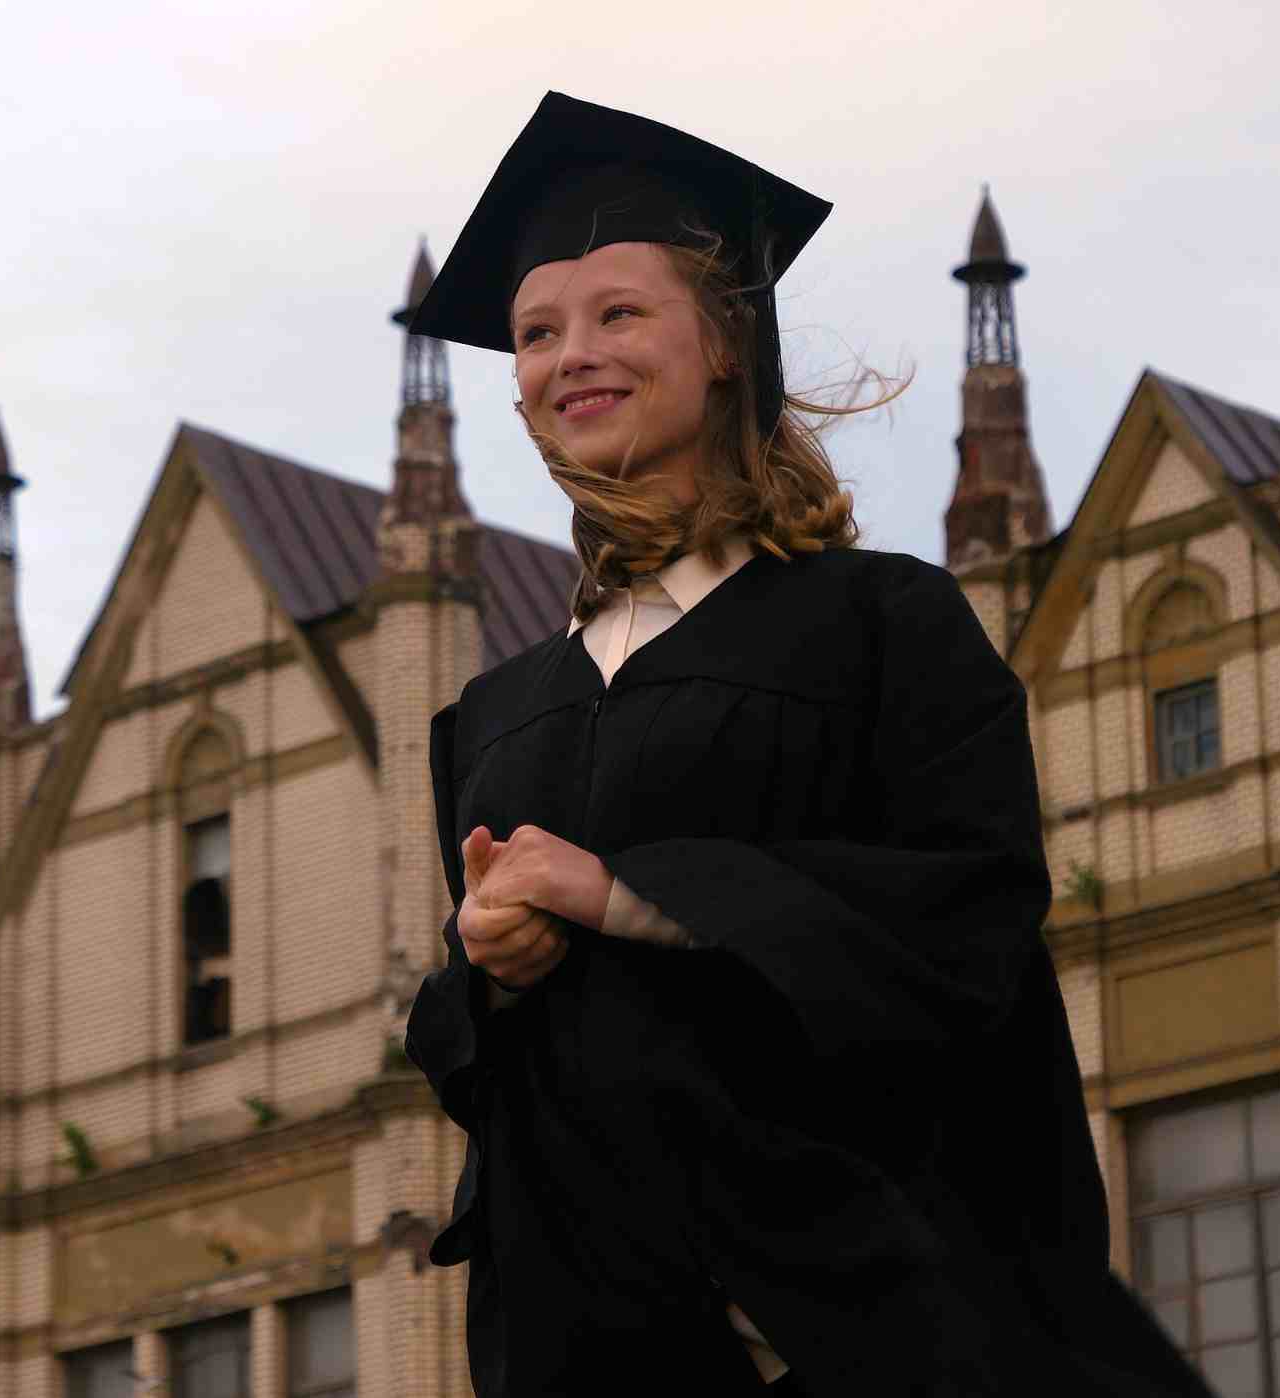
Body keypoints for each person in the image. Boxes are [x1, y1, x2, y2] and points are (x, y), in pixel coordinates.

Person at [400, 92, 1216, 1398]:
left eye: (620, 314)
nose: (572, 357)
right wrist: (488, 967)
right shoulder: (498, 716)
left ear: (727, 341)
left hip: (864, 1337)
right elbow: (505, 1091)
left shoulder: (881, 625)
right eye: (538, 332)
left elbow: (969, 921)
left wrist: (627, 893)